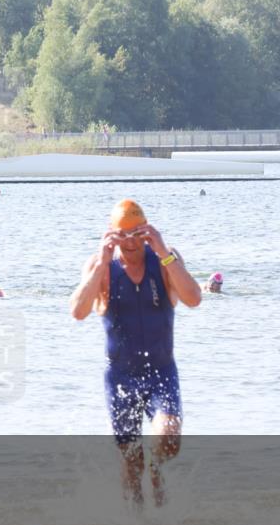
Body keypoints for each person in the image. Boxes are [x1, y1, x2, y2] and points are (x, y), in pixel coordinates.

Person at [70, 199, 202, 508]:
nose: (130, 242)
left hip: (161, 372)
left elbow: (194, 298)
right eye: (123, 235)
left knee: (169, 439)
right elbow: (77, 311)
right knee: (131, 461)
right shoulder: (100, 266)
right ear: (111, 233)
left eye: (137, 234)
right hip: (120, 378)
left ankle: (156, 470)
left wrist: (163, 251)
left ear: (147, 231)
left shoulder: (165, 259)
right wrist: (101, 263)